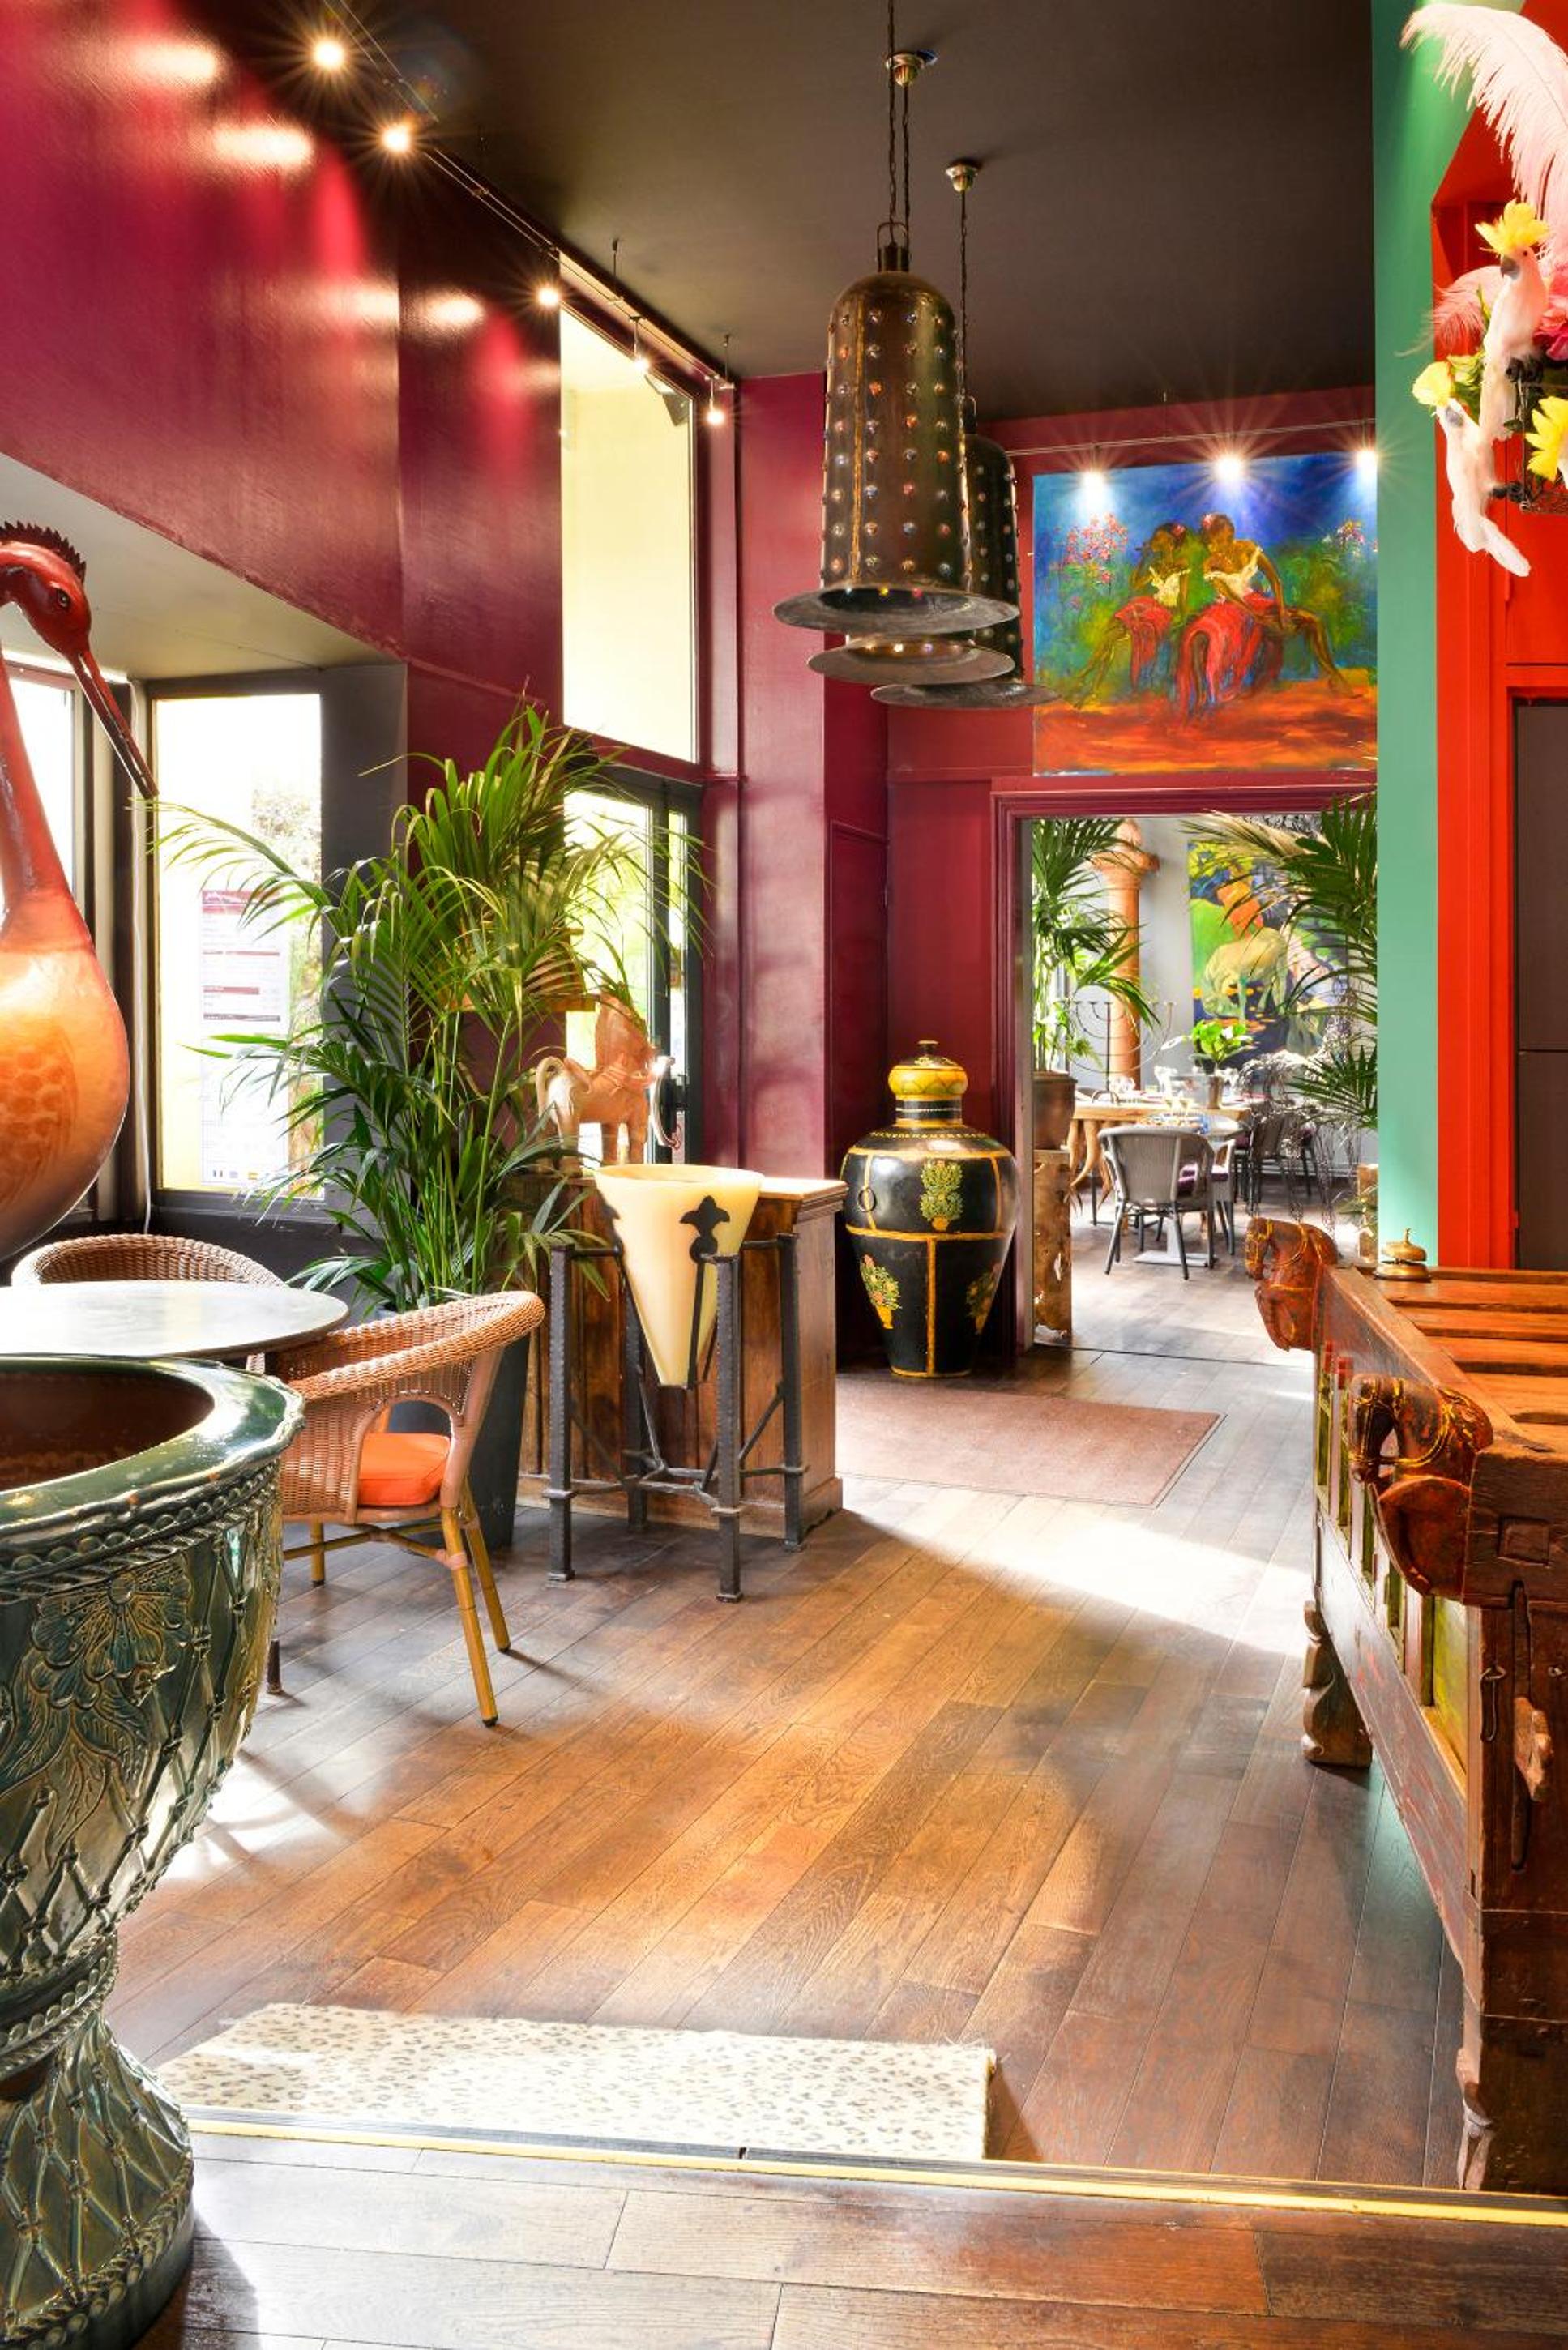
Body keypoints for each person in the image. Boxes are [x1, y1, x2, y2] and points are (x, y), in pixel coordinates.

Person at [1173, 513, 1346, 716]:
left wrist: (1282, 610)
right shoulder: (1211, 563)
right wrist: (1252, 615)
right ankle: (1203, 698)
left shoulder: (1248, 548)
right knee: (1198, 638)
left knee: (1313, 621)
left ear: (1232, 532)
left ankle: (1334, 676)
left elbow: (1275, 579)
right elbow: (1230, 595)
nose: (1223, 545)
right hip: (1229, 609)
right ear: (1210, 542)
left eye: (1228, 538)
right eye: (1217, 542)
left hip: (1257, 602)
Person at [1064, 520, 1190, 705]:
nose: (1153, 540)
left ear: (1170, 541)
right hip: (1149, 607)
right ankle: (1089, 686)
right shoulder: (1156, 565)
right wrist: (1143, 558)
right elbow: (1136, 584)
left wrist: (1182, 618)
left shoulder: (1182, 564)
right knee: (1110, 635)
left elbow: (1183, 599)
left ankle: (1084, 682)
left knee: (1112, 636)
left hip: (1164, 614)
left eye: (1158, 538)